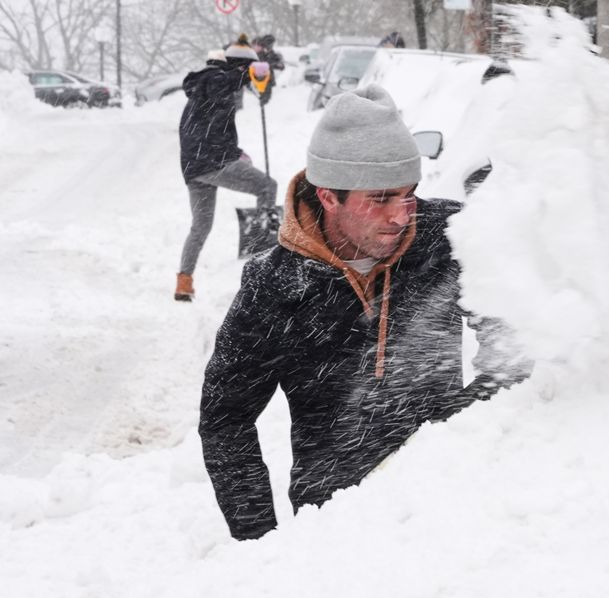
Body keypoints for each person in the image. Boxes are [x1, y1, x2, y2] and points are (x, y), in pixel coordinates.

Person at [200, 85, 522, 541]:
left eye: (409, 194)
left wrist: (476, 420)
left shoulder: (448, 240)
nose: (401, 216)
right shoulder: (275, 288)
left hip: (451, 502)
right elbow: (225, 420)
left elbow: (515, 332)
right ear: (329, 196)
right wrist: (261, 541)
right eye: (381, 198)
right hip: (339, 525)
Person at [176, 35, 278, 301]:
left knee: (201, 226)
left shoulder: (201, 89)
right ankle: (263, 256)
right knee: (268, 186)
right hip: (212, 162)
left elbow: (210, 130)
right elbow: (226, 81)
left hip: (195, 168)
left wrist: (236, 152)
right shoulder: (214, 78)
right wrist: (249, 73)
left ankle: (184, 282)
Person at [251, 34, 286, 104]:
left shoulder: (270, 52)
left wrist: (278, 64)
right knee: (263, 101)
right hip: (259, 81)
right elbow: (262, 64)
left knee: (267, 101)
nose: (272, 46)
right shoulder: (258, 54)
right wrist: (273, 64)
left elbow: (280, 65)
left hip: (268, 80)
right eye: (271, 44)